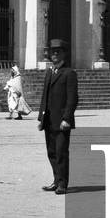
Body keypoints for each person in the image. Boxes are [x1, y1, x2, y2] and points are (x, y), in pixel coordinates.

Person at [38, 39, 79, 195]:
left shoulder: (69, 73)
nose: (54, 54)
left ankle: (63, 184)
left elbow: (72, 99)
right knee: (52, 152)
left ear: (63, 54)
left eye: (58, 52)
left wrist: (67, 119)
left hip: (61, 121)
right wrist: (41, 118)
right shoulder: (50, 72)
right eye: (52, 52)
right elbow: (45, 96)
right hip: (48, 120)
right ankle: (56, 180)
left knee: (61, 152)